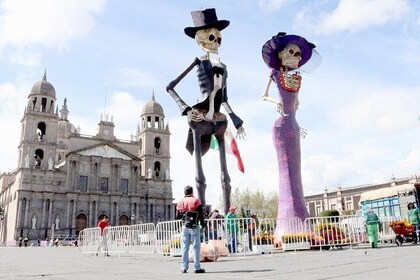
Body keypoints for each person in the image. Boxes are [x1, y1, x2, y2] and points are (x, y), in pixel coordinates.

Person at [261, 32, 320, 234]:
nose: (295, 57)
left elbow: (296, 103)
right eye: (291, 52)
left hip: (294, 125)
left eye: (297, 54)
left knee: (296, 173)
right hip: (281, 126)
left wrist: (297, 121)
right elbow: (264, 95)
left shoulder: (296, 79)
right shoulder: (275, 74)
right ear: (279, 55)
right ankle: (287, 223)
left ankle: (301, 221)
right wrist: (276, 102)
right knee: (286, 173)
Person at [176, 185, 206, 274]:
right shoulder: (196, 201)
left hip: (185, 226)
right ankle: (197, 267)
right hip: (194, 226)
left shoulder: (181, 202)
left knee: (185, 246)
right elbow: (201, 214)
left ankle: (184, 267)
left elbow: (177, 216)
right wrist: (203, 225)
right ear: (192, 192)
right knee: (196, 247)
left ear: (185, 192)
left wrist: (184, 214)